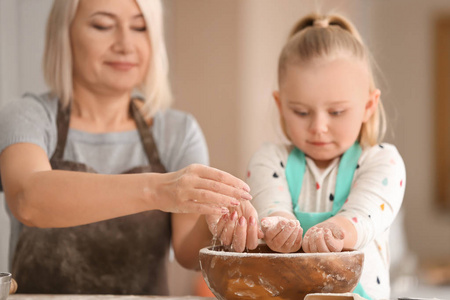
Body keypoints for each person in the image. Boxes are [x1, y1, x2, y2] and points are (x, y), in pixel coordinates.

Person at [0, 0, 261, 295]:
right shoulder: (27, 116)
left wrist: (218, 227)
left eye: (140, 27)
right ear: (64, 33)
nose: (125, 44)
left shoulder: (177, 131)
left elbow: (188, 252)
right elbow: (28, 199)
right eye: (103, 25)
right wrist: (159, 190)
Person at [245, 13, 406, 300]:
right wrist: (280, 228)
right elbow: (272, 208)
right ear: (280, 105)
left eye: (336, 112)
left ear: (369, 105)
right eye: (301, 112)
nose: (318, 127)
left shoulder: (383, 162)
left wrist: (336, 231)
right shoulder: (269, 160)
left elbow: (363, 217)